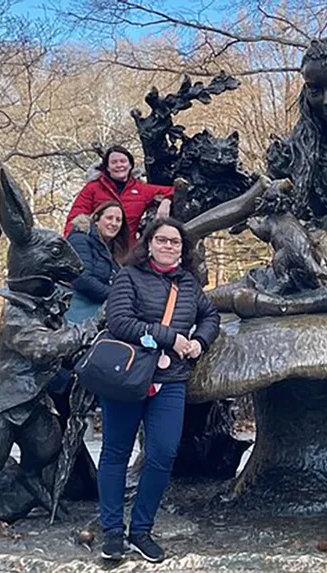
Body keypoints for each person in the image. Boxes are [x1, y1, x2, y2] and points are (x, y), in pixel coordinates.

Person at [98, 217, 220, 563]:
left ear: (183, 249)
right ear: (148, 243)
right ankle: (111, 531)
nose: (168, 246)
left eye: (175, 242)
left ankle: (141, 530)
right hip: (129, 374)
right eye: (162, 240)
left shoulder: (189, 284)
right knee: (116, 453)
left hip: (170, 379)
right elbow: (119, 321)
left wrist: (199, 341)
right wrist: (169, 337)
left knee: (163, 454)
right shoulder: (129, 276)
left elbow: (211, 316)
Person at [63, 145, 173, 247]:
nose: (119, 165)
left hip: (126, 251)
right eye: (114, 162)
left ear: (130, 165)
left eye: (123, 161)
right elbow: (75, 217)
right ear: (107, 167)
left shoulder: (141, 189)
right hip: (97, 246)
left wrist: (166, 201)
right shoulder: (93, 188)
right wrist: (71, 244)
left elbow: (176, 190)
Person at [64, 201, 127, 324]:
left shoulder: (113, 251)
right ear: (96, 219)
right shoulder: (80, 239)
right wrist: (115, 296)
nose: (114, 223)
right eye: (109, 218)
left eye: (118, 220)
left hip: (102, 309)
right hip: (77, 308)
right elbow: (81, 279)